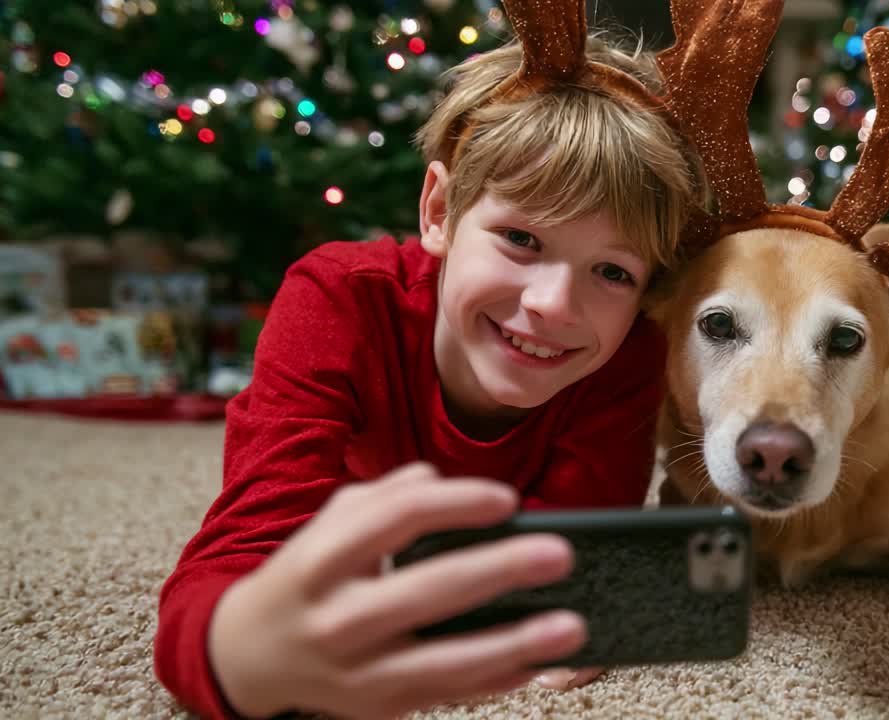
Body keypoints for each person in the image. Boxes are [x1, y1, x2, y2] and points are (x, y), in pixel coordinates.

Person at [153, 30, 704, 720]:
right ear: (439, 212)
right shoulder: (337, 300)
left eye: (613, 272)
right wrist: (232, 652)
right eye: (522, 239)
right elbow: (246, 541)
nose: (553, 306)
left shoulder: (625, 355)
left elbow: (568, 554)